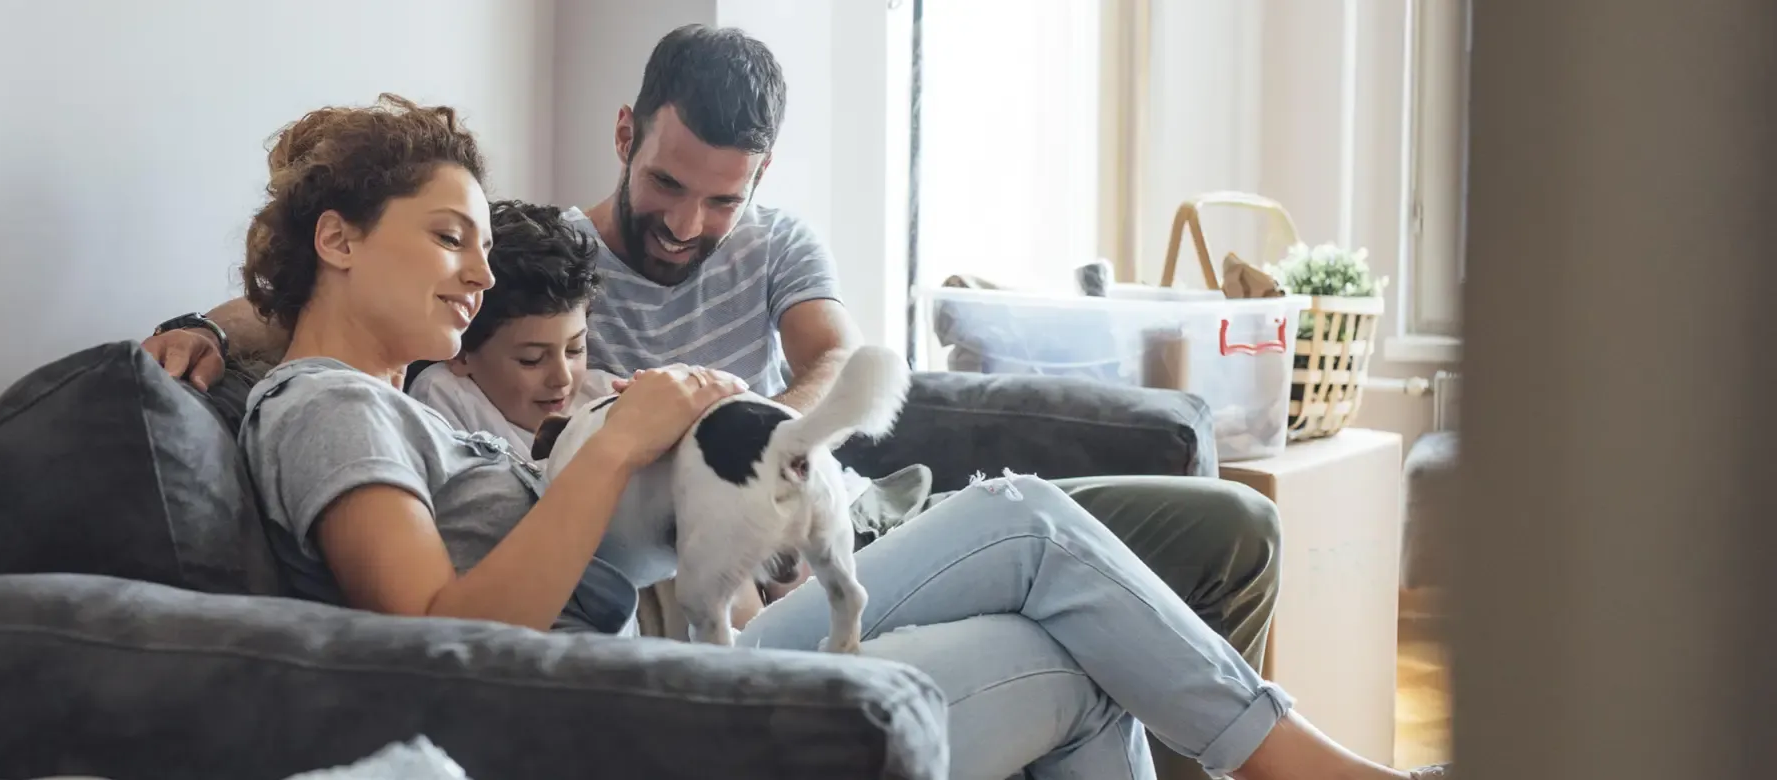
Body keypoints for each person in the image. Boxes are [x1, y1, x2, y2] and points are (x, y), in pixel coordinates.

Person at [202, 91, 1446, 780]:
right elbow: (434, 645)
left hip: (671, 662)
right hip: (623, 721)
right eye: (448, 237)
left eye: (481, 242)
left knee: (1029, 550)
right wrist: (624, 445)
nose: (479, 274)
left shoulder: (404, 394)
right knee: (1063, 653)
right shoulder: (330, 407)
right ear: (338, 239)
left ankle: (1301, 767)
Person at [404, 199, 620, 455]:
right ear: (461, 353)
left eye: (575, 350)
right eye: (532, 359)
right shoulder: (445, 395)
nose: (562, 377)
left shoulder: (603, 395)